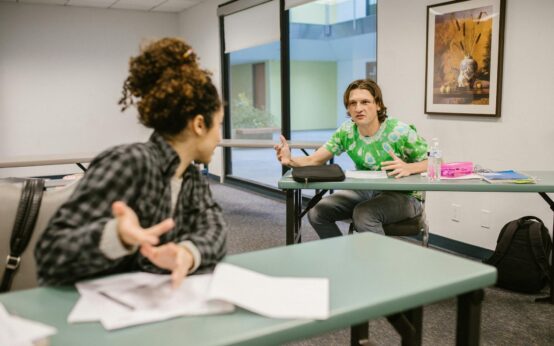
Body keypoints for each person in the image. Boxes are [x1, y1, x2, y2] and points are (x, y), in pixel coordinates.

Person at [35, 38, 227, 288]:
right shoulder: (130, 163)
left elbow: (215, 228)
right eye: (219, 125)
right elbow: (50, 255)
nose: (219, 137)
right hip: (97, 314)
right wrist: (117, 236)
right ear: (200, 124)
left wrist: (188, 253)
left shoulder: (190, 178)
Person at [274, 79, 428, 239]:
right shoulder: (347, 131)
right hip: (365, 190)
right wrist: (290, 160)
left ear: (378, 105)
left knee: (364, 214)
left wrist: (409, 168)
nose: (358, 108)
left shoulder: (399, 131)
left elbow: (436, 163)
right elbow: (315, 160)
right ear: (348, 108)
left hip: (404, 196)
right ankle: (343, 257)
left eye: (365, 102)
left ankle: (377, 264)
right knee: (318, 213)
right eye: (352, 103)